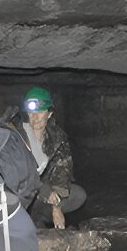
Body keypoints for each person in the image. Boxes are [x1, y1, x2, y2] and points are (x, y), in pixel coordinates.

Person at [19, 86, 86, 230]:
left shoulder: (57, 138)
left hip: (42, 195)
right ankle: (27, 219)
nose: (35, 118)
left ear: (49, 114)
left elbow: (63, 173)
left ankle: (40, 217)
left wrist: (57, 207)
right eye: (31, 113)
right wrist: (45, 192)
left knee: (78, 195)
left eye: (40, 112)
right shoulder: (17, 136)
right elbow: (18, 175)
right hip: (20, 192)